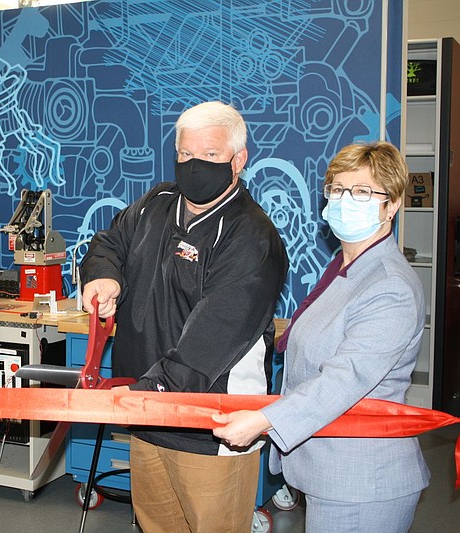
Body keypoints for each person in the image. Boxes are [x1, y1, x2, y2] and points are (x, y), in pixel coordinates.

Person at [80, 101, 288, 533]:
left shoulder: (252, 235)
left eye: (210, 155)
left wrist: (145, 392)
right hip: (149, 416)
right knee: (154, 525)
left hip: (210, 426)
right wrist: (104, 277)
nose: (194, 165)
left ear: (238, 160)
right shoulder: (157, 202)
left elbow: (215, 334)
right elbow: (109, 242)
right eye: (185, 154)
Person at [212, 141, 430, 532]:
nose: (346, 200)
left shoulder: (389, 286)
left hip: (363, 480)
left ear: (392, 204)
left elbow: (344, 379)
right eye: (337, 189)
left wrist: (264, 419)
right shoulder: (345, 266)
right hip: (333, 470)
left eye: (362, 192)